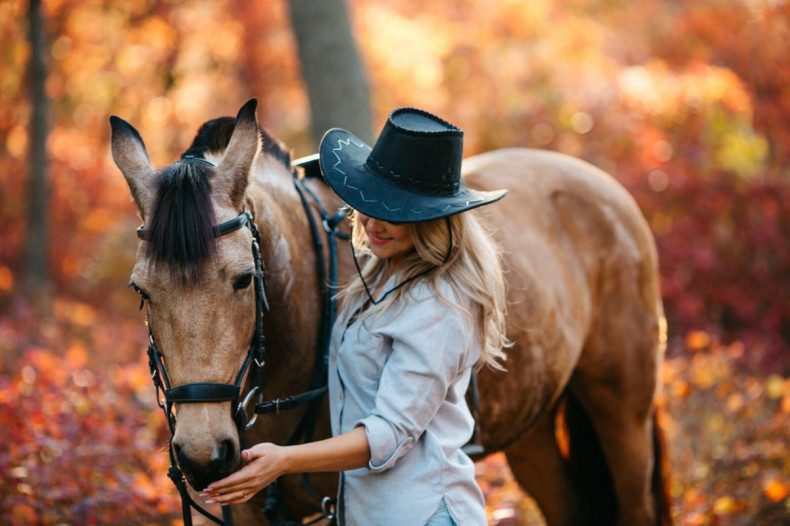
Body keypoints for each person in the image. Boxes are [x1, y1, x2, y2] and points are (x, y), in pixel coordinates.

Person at [202, 108, 510, 525]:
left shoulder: (440, 306)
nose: (374, 221)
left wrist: (284, 460)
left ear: (435, 218)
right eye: (370, 201)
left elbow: (389, 435)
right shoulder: (381, 273)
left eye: (398, 211)